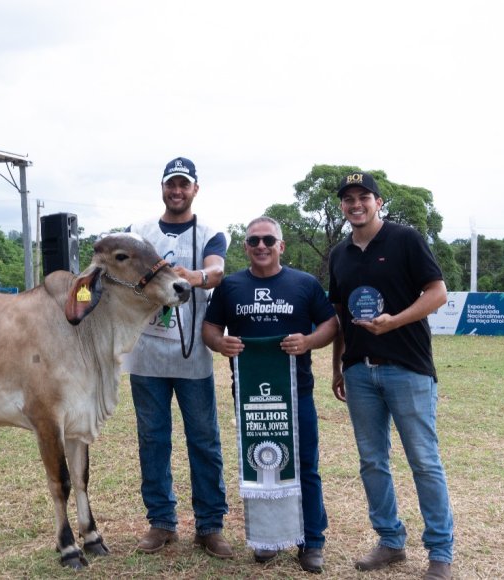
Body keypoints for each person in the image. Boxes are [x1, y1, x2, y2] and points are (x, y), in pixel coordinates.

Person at [329, 172, 454, 580]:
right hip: (360, 373)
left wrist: (394, 321)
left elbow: (437, 293)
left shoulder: (405, 239)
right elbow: (340, 315)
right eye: (348, 199)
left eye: (363, 196)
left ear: (379, 202)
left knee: (424, 461)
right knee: (372, 462)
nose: (355, 204)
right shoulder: (340, 253)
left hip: (408, 368)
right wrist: (337, 366)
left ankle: (440, 551)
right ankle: (390, 540)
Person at [203, 216, 338, 573]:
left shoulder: (304, 284)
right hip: (250, 397)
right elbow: (210, 328)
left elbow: (330, 323)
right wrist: (220, 343)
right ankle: (267, 538)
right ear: (245, 247)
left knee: (305, 465)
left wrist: (309, 341)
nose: (260, 246)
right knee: (259, 463)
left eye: (267, 240)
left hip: (297, 393)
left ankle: (312, 541)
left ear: (281, 246)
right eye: (253, 241)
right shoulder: (230, 286)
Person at [125, 156, 233, 559]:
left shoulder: (209, 232)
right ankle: (161, 522)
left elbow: (217, 271)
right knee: (152, 440)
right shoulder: (140, 232)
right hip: (146, 355)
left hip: (192, 358)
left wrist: (192, 277)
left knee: (204, 441)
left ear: (195, 190)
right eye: (171, 184)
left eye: (184, 184)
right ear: (162, 188)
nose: (177, 190)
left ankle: (210, 525)